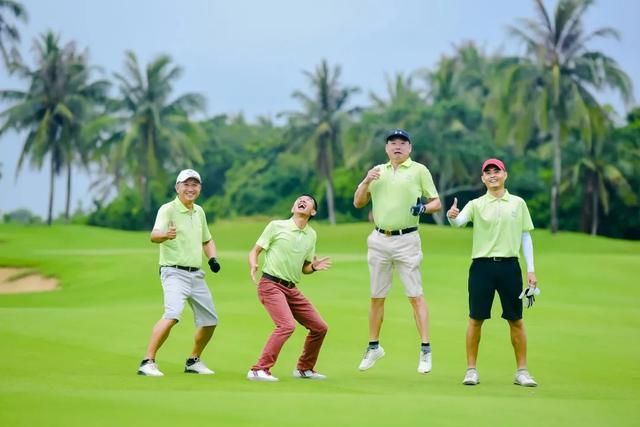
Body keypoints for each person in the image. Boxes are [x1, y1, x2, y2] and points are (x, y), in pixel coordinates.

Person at [353, 129, 441, 374]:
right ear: (386, 148)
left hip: (407, 239)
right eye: (393, 143)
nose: (397, 147)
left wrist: (422, 209)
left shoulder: (418, 170)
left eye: (403, 143)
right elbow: (358, 202)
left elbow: (436, 202)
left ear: (410, 148)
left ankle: (425, 350)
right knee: (376, 296)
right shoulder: (377, 172)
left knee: (415, 295)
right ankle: (373, 347)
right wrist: (366, 180)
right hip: (379, 239)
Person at [447, 158, 539, 387]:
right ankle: (471, 370)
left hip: (510, 267)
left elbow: (525, 236)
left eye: (496, 171)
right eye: (487, 173)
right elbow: (459, 223)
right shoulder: (476, 204)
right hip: (482, 267)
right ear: (482, 179)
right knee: (476, 319)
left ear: (504, 175)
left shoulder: (518, 203)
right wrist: (451, 216)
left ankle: (522, 372)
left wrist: (531, 269)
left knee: (516, 319)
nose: (492, 175)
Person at [137, 169, 222, 377]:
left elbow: (207, 239)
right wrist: (166, 234)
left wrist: (212, 258)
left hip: (196, 274)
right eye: (186, 184)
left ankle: (193, 361)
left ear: (199, 188)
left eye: (195, 185)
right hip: (173, 272)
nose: (190, 188)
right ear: (177, 187)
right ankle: (147, 361)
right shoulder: (168, 209)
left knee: (210, 320)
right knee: (173, 314)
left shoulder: (199, 211)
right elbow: (153, 235)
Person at [246, 194, 331, 382]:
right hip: (270, 284)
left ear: (313, 211)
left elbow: (305, 268)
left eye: (308, 201)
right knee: (286, 325)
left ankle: (304, 368)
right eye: (300, 200)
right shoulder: (276, 226)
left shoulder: (311, 234)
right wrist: (253, 264)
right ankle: (258, 370)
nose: (302, 201)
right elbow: (255, 251)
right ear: (293, 207)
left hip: (291, 289)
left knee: (320, 327)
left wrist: (314, 268)